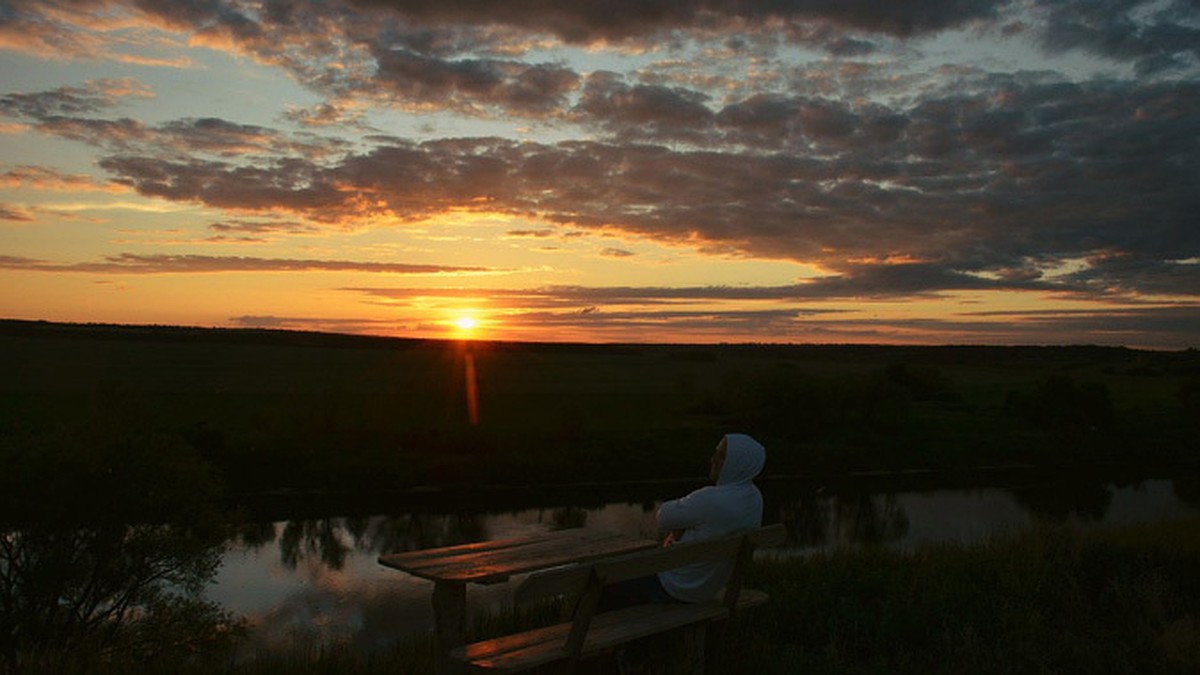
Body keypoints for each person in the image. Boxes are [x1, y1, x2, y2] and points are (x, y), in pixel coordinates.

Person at [598, 432, 766, 610]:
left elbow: (663, 517)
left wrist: (682, 528)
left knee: (603, 581)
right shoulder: (754, 499)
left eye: (721, 456)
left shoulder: (711, 498)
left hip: (675, 586)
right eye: (716, 453)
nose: (712, 459)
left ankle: (589, 635)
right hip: (707, 589)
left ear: (738, 463)